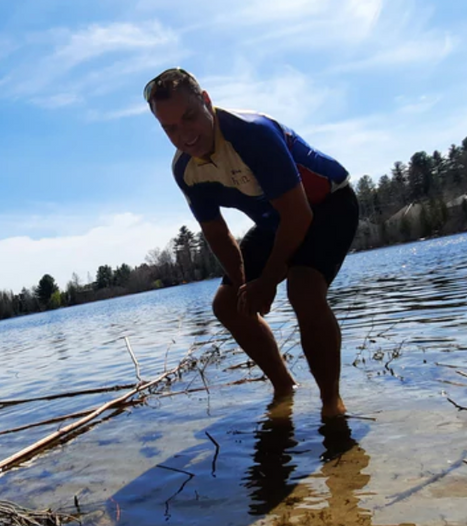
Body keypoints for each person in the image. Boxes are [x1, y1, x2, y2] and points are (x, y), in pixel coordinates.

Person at [145, 67, 359, 420]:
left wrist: (271, 278)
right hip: (277, 220)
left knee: (303, 290)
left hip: (328, 205)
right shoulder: (185, 170)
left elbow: (299, 215)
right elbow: (216, 233)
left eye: (189, 117)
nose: (184, 135)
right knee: (229, 304)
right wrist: (247, 286)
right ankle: (283, 388)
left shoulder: (251, 134)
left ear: (207, 102)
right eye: (170, 128)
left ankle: (330, 404)